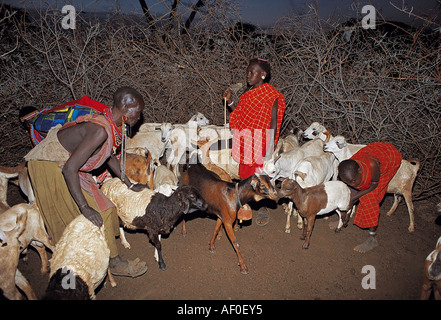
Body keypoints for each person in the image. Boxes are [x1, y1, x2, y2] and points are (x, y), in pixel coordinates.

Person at [25, 87, 148, 277]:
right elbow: (69, 169)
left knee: (106, 210)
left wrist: (129, 183)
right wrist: (84, 206)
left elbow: (108, 156)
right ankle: (73, 270)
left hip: (67, 164)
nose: (139, 117)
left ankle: (113, 262)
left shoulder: (109, 124)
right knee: (70, 219)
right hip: (50, 164)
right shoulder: (100, 130)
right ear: (125, 109)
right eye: (137, 112)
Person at [223, 58, 285, 226]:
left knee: (260, 178)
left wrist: (269, 151)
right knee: (245, 177)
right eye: (247, 72)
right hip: (246, 142)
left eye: (252, 73)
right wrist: (229, 102)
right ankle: (245, 204)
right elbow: (239, 116)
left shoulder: (274, 96)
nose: (248, 76)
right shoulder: (247, 95)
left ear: (263, 75)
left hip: (261, 143)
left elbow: (274, 123)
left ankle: (263, 207)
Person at [338, 142, 402, 253]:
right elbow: (351, 186)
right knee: (348, 191)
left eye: (353, 181)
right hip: (375, 150)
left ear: (360, 171)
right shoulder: (350, 167)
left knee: (369, 198)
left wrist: (354, 199)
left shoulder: (373, 165)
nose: (352, 184)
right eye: (349, 181)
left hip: (390, 157)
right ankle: (342, 219)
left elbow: (374, 185)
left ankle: (372, 238)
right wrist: (351, 195)